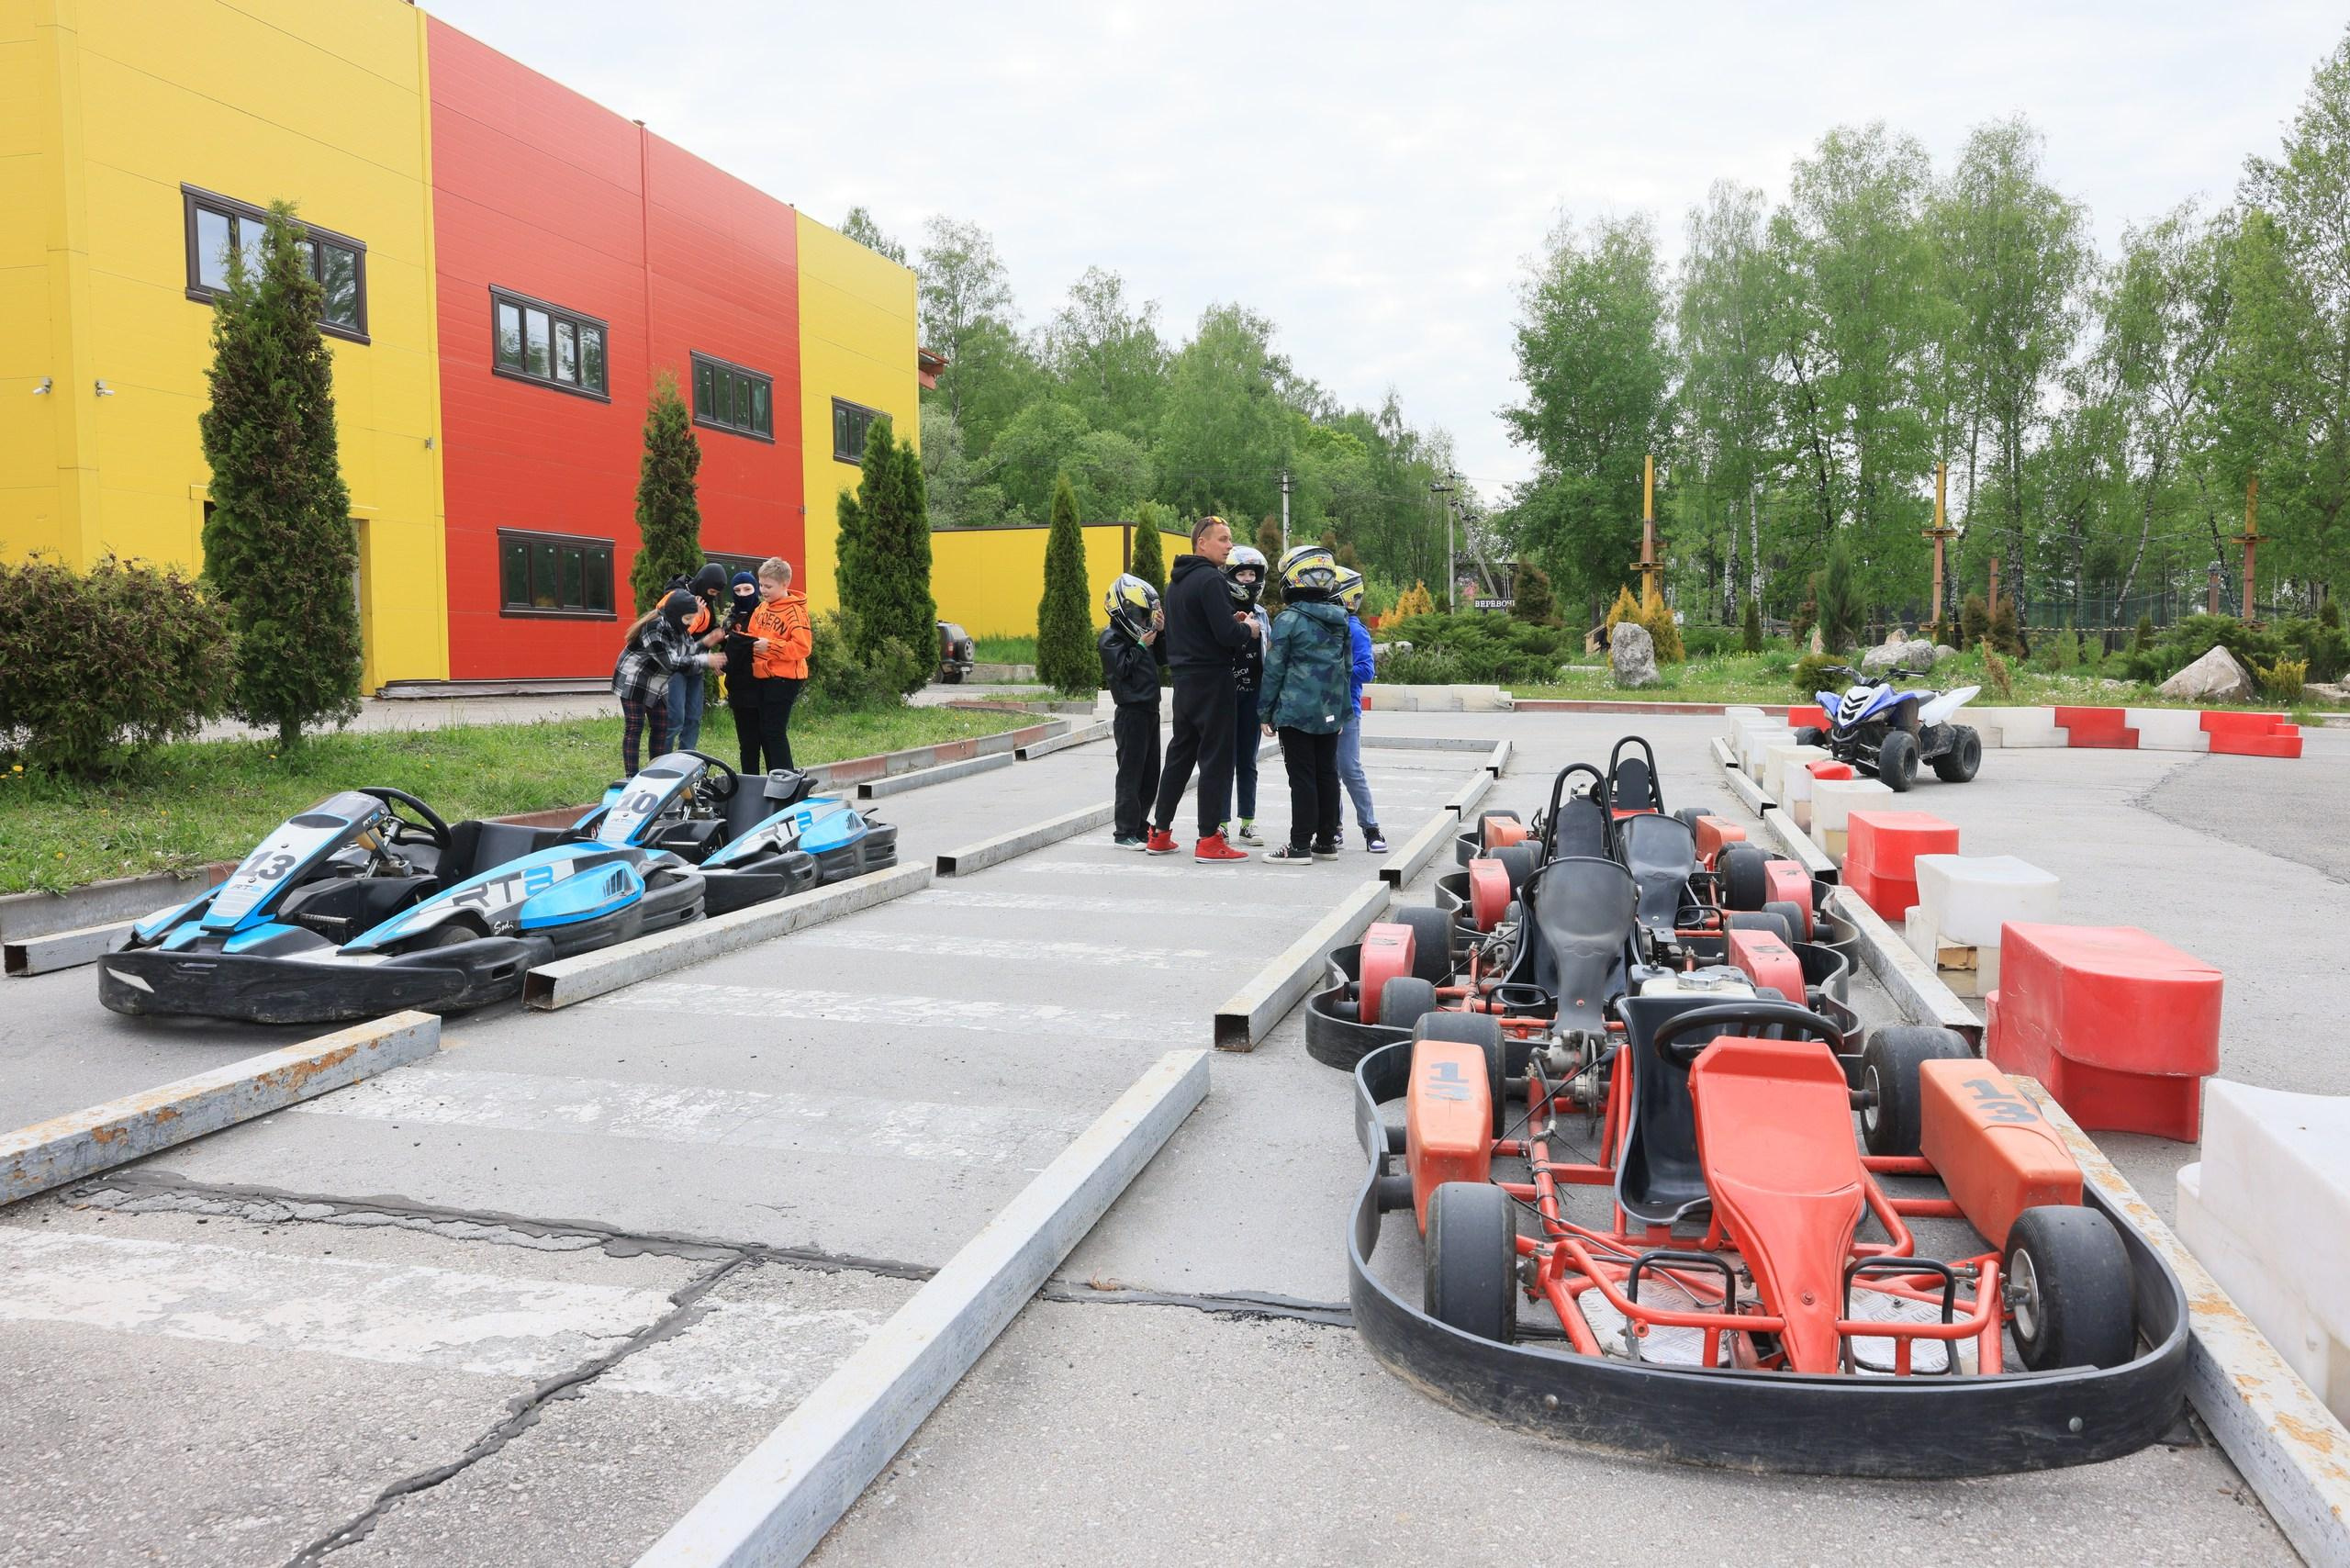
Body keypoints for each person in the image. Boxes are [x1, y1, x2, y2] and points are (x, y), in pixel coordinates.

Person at [1147, 515, 1259, 862]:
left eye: (1230, 540)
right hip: (1213, 680)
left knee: (1180, 756)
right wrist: (1248, 629)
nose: (1229, 546)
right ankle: (1209, 840)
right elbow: (1225, 636)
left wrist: (1229, 623)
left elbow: (1194, 630)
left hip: (1184, 682)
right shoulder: (1211, 579)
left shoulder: (1175, 583)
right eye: (1223, 540)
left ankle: (1159, 832)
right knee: (1216, 760)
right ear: (1202, 543)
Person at [1255, 545, 1352, 866]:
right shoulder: (1342, 619)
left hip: (1295, 712)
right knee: (1327, 773)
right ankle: (1326, 841)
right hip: (1329, 711)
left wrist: (1264, 712)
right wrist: (1341, 712)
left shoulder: (1289, 620)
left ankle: (1298, 845)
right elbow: (1346, 669)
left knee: (1302, 778)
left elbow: (1274, 669)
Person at [612, 589, 725, 776]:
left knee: (662, 727)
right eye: (688, 619)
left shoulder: (677, 627)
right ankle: (631, 777)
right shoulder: (654, 628)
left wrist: (705, 642)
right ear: (676, 614)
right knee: (635, 727)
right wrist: (706, 660)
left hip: (656, 683)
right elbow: (671, 662)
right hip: (634, 679)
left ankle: (655, 773)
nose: (690, 623)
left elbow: (686, 651)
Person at [1098, 574, 1166, 849]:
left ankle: (1140, 825)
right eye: (1139, 615)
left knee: (1151, 774)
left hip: (1150, 710)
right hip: (1130, 713)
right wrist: (1140, 646)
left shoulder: (1142, 636)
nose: (1142, 621)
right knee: (1131, 773)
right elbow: (1121, 669)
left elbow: (1163, 657)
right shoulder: (1111, 638)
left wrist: (1160, 632)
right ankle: (1123, 831)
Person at [1221, 545, 1273, 845]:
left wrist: (1269, 706)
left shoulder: (1263, 615)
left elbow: (1271, 659)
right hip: (1225, 697)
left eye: (1252, 574)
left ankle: (1248, 822)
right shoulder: (1221, 611)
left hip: (1252, 696)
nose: (1247, 579)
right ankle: (1221, 822)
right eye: (1241, 573)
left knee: (1248, 762)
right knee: (1223, 762)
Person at [1332, 567, 1384, 853]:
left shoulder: (1354, 629)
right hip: (1321, 710)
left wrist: (1334, 670)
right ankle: (1333, 827)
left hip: (1347, 710)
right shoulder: (1325, 625)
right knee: (1328, 773)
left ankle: (1371, 828)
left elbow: (1366, 670)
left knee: (1350, 769)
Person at [745, 556, 811, 773]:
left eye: (768, 586)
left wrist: (771, 647)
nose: (763, 590)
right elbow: (752, 636)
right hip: (762, 677)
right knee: (765, 731)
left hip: (785, 678)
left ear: (785, 584)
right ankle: (775, 776)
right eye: (761, 585)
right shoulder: (761, 609)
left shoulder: (795, 613)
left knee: (774, 730)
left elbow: (803, 648)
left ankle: (786, 778)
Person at [666, 563, 729, 752]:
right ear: (702, 583)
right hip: (676, 666)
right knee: (675, 719)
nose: (713, 596)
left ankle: (686, 759)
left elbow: (711, 631)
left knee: (693, 717)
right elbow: (672, 633)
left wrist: (720, 646)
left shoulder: (706, 604)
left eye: (717, 593)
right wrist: (695, 619)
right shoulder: (675, 597)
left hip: (696, 665)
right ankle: (660, 763)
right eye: (711, 590)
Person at [720, 569, 765, 773]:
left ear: (756, 589)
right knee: (747, 745)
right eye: (737, 590)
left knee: (769, 741)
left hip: (763, 686)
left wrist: (739, 644)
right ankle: (751, 784)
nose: (743, 594)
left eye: (747, 589)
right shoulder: (730, 620)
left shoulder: (764, 614)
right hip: (738, 689)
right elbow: (725, 652)